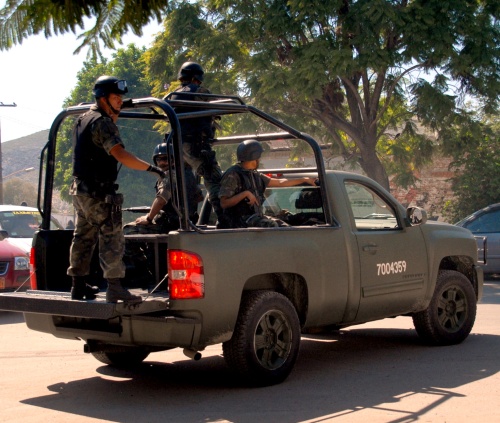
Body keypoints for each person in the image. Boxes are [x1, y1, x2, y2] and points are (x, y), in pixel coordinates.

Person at [67, 75, 166, 304]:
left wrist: (115, 114)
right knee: (112, 238)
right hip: (99, 193)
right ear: (103, 99)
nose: (120, 101)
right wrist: (152, 169)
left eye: (121, 98)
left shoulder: (82, 119)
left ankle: (77, 285)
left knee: (83, 237)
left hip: (81, 191)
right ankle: (114, 287)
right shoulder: (103, 123)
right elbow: (120, 154)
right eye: (116, 97)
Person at [167, 62, 226, 226]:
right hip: (197, 145)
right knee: (214, 180)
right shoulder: (200, 92)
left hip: (178, 146)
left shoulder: (173, 95)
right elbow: (218, 107)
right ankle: (224, 218)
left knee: (185, 181)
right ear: (196, 78)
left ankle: (184, 219)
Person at [219, 140, 317, 228]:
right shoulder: (233, 174)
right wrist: (245, 194)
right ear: (254, 157)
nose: (259, 160)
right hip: (239, 221)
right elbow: (224, 203)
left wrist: (304, 180)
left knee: (284, 227)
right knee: (272, 226)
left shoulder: (254, 175)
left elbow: (280, 182)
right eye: (258, 157)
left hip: (255, 217)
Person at [124, 142, 203, 235]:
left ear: (174, 159)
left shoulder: (169, 175)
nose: (161, 162)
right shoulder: (188, 174)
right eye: (158, 159)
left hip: (170, 224)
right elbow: (199, 197)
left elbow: (161, 200)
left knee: (127, 230)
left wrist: (148, 218)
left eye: (166, 159)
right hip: (188, 222)